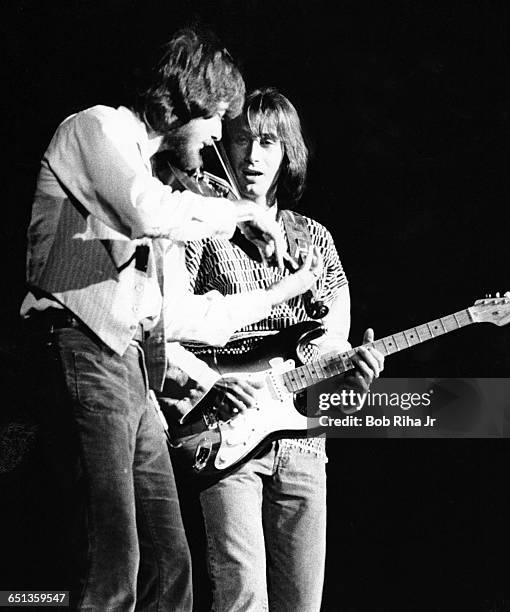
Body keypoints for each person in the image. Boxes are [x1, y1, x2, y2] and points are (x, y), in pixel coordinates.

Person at [20, 28, 319, 611]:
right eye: (214, 121)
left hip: (132, 370)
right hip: (82, 348)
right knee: (114, 560)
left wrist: (286, 290)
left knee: (169, 562)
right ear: (187, 101)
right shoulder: (94, 129)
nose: (213, 141)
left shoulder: (159, 188)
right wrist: (235, 215)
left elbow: (183, 317)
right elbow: (143, 208)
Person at [179, 87, 385, 612]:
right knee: (242, 596)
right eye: (244, 138)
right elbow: (172, 324)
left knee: (302, 602)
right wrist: (211, 382)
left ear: (287, 152)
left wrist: (353, 372)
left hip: (303, 441)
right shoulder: (204, 228)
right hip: (226, 428)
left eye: (267, 142)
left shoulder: (315, 238)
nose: (252, 155)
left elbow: (332, 340)